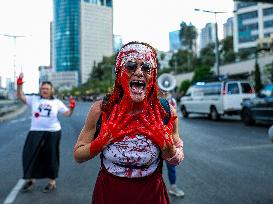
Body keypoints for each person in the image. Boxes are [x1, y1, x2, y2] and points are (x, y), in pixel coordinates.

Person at [74, 41, 184, 204]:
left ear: (153, 75)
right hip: (110, 193)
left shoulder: (165, 111)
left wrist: (167, 147)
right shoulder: (102, 109)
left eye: (146, 67)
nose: (139, 72)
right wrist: (101, 142)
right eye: (131, 66)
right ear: (119, 73)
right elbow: (78, 156)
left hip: (151, 194)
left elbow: (175, 159)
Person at [16, 74, 76, 193]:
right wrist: (19, 85)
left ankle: (51, 182)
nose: (44, 90)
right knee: (29, 155)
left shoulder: (57, 102)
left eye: (47, 89)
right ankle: (31, 179)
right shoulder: (34, 99)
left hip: (53, 132)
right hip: (35, 131)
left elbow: (67, 114)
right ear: (40, 90)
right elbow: (21, 96)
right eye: (43, 88)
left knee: (51, 156)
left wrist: (72, 107)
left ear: (51, 90)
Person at [158, 89, 185, 197]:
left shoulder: (171, 102)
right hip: (156, 140)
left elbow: (174, 116)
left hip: (168, 140)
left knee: (171, 166)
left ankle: (173, 187)